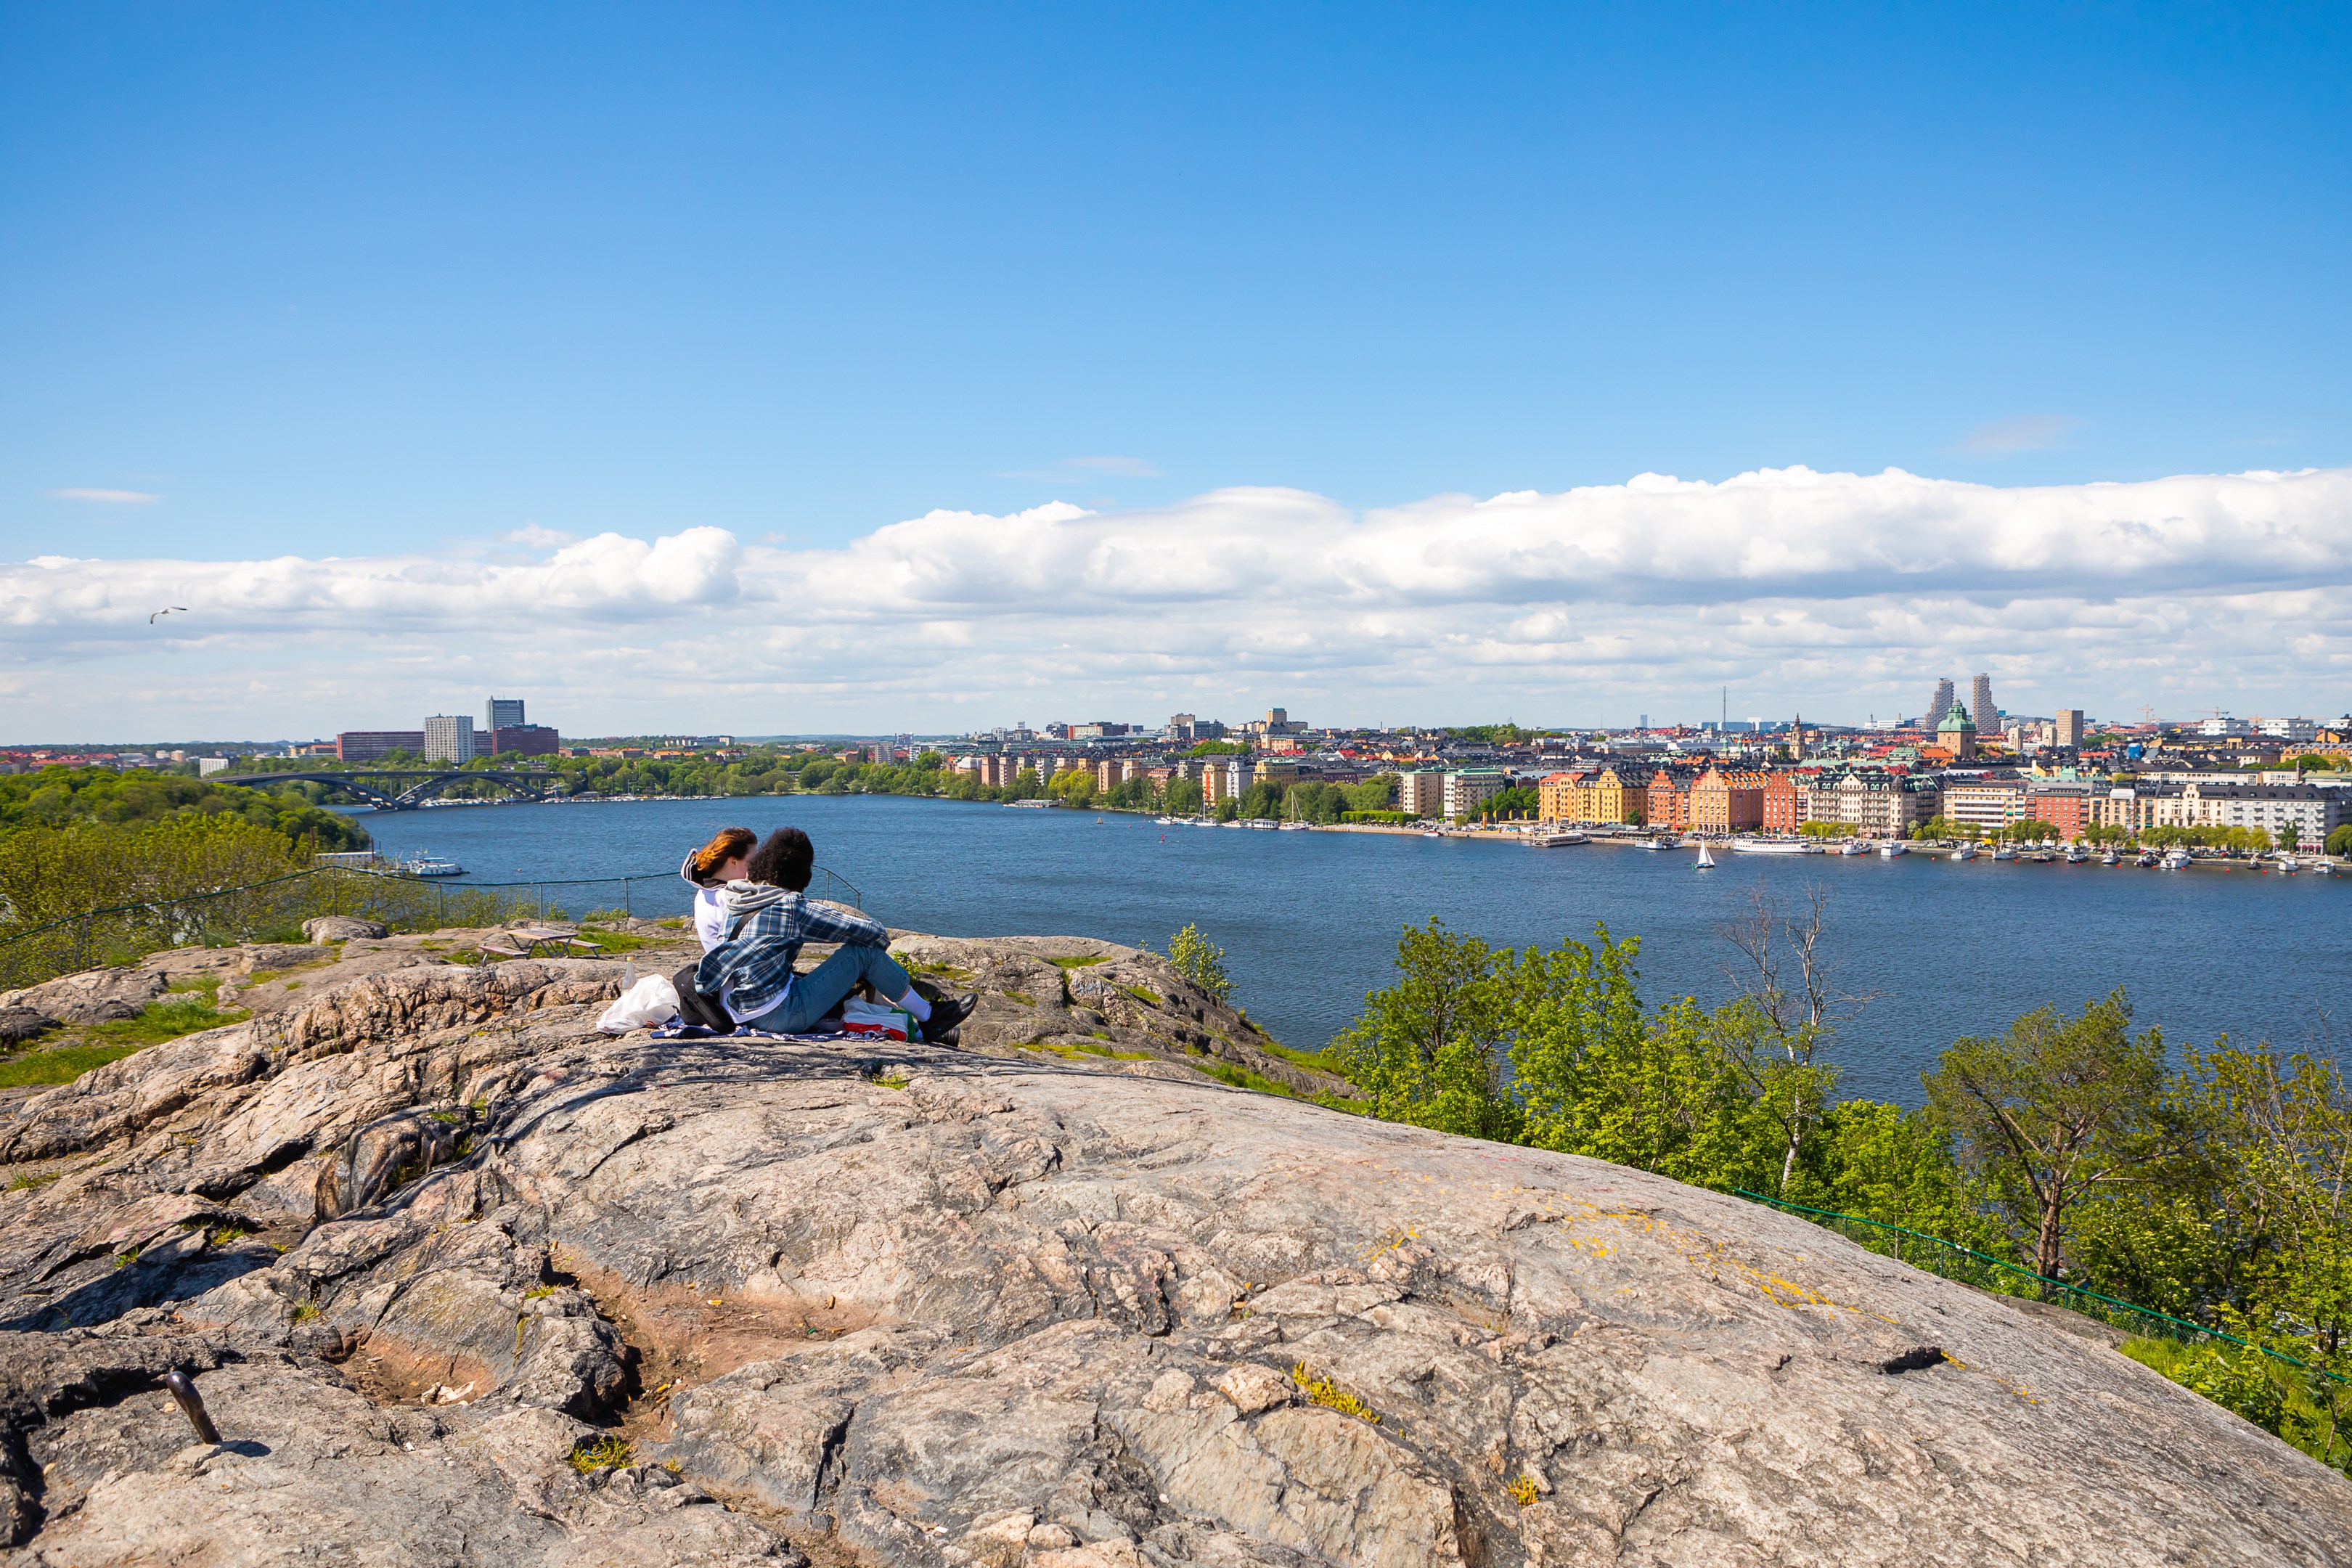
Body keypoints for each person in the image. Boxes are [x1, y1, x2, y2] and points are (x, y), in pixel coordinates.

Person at [693, 826, 976, 1041]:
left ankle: (917, 1020)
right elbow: (874, 933)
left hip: (732, 1006)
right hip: (775, 1016)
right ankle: (928, 1016)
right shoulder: (789, 907)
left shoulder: (735, 895)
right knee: (862, 954)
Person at [681, 826, 756, 951]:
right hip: (734, 966)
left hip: (718, 965)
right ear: (733, 862)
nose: (756, 867)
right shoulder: (728, 897)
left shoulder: (704, 892)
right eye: (752, 862)